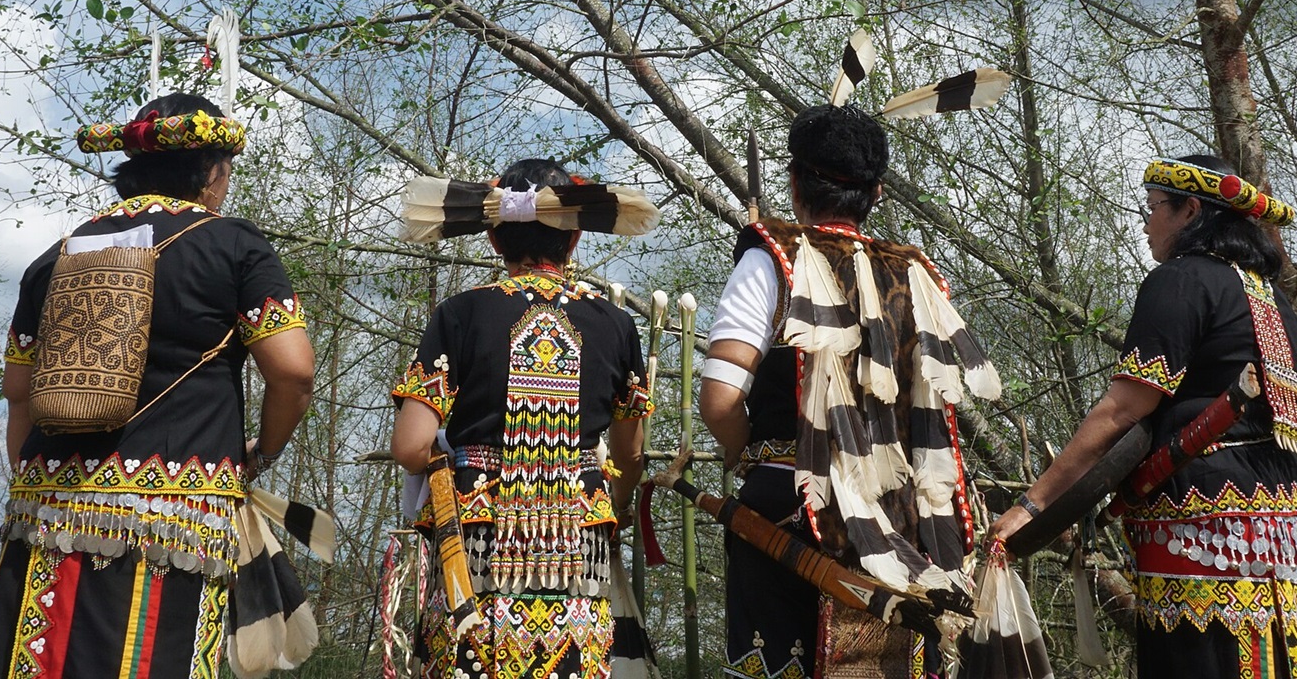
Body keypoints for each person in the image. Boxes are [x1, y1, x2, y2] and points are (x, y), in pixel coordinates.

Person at [0, 92, 314, 679]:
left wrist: (38, 488)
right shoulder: (233, 246)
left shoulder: (58, 257)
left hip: (49, 510)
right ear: (212, 173)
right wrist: (264, 451)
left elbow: (20, 393)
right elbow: (293, 370)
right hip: (170, 518)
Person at [989, 154, 1297, 678]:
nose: (1146, 224)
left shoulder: (1182, 280)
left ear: (1190, 210)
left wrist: (1032, 507)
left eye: (1152, 209)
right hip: (1282, 534)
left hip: (1203, 529)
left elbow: (1123, 410)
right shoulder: (1272, 300)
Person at [699, 104, 1001, 679]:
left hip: (791, 507)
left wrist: (747, 458)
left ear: (794, 182)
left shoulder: (775, 258)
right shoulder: (917, 273)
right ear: (877, 193)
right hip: (904, 525)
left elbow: (719, 398)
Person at [391, 158, 653, 679]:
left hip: (479, 534)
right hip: (579, 536)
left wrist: (453, 455)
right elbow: (629, 453)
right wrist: (617, 506)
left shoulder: (460, 314)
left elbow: (409, 447)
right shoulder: (616, 324)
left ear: (493, 239)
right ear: (574, 239)